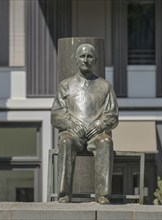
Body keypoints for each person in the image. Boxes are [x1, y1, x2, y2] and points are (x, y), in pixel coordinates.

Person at [51, 43, 119, 204]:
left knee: (106, 141)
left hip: (96, 134)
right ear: (76, 59)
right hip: (73, 133)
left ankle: (103, 194)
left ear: (95, 60)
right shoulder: (65, 85)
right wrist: (71, 124)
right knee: (66, 141)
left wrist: (98, 126)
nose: (86, 60)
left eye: (89, 56)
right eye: (82, 56)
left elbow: (113, 115)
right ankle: (64, 193)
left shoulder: (105, 86)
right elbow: (56, 114)